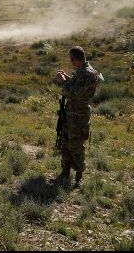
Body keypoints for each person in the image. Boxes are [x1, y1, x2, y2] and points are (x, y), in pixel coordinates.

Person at [53, 46, 101, 189]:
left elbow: (73, 93)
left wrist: (62, 81)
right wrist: (67, 77)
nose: (70, 61)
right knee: (66, 142)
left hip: (79, 115)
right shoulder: (82, 71)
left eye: (71, 59)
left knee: (76, 145)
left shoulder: (87, 73)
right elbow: (75, 84)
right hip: (71, 113)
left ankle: (78, 176)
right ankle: (65, 172)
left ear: (74, 59)